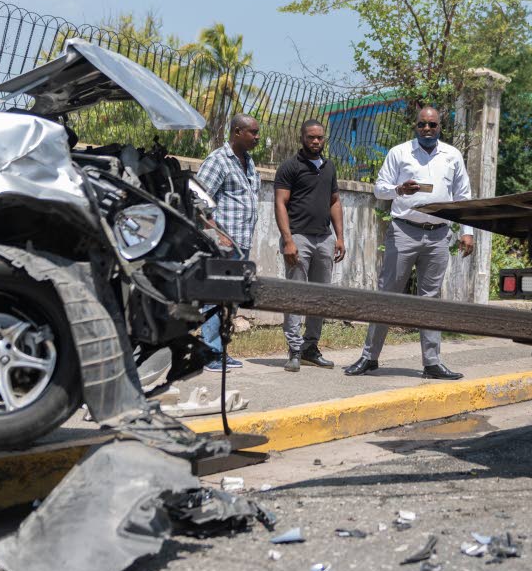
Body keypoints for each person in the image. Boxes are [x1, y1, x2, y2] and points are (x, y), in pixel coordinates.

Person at [345, 105, 474, 380]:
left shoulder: (452, 155)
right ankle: (369, 357)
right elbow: (379, 189)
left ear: (440, 127)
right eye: (422, 124)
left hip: (438, 235)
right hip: (404, 232)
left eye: (432, 125)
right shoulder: (399, 152)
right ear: (415, 126)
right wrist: (399, 189)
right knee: (388, 294)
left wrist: (467, 232)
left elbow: (463, 195)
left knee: (431, 300)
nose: (427, 129)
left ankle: (432, 363)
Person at [274, 119, 346, 372]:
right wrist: (288, 240)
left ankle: (310, 348)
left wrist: (339, 237)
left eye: (319, 137)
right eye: (311, 137)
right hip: (299, 238)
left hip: (324, 238)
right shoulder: (290, 167)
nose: (316, 141)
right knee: (296, 294)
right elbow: (280, 203)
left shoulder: (329, 166)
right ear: (302, 138)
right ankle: (294, 350)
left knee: (320, 296)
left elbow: (334, 201)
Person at [196, 113, 261, 371]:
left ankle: (220, 351)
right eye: (253, 132)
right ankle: (210, 353)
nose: (257, 137)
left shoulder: (248, 162)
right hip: (222, 245)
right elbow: (196, 200)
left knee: (229, 298)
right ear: (237, 132)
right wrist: (217, 233)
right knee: (215, 297)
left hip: (241, 242)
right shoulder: (218, 160)